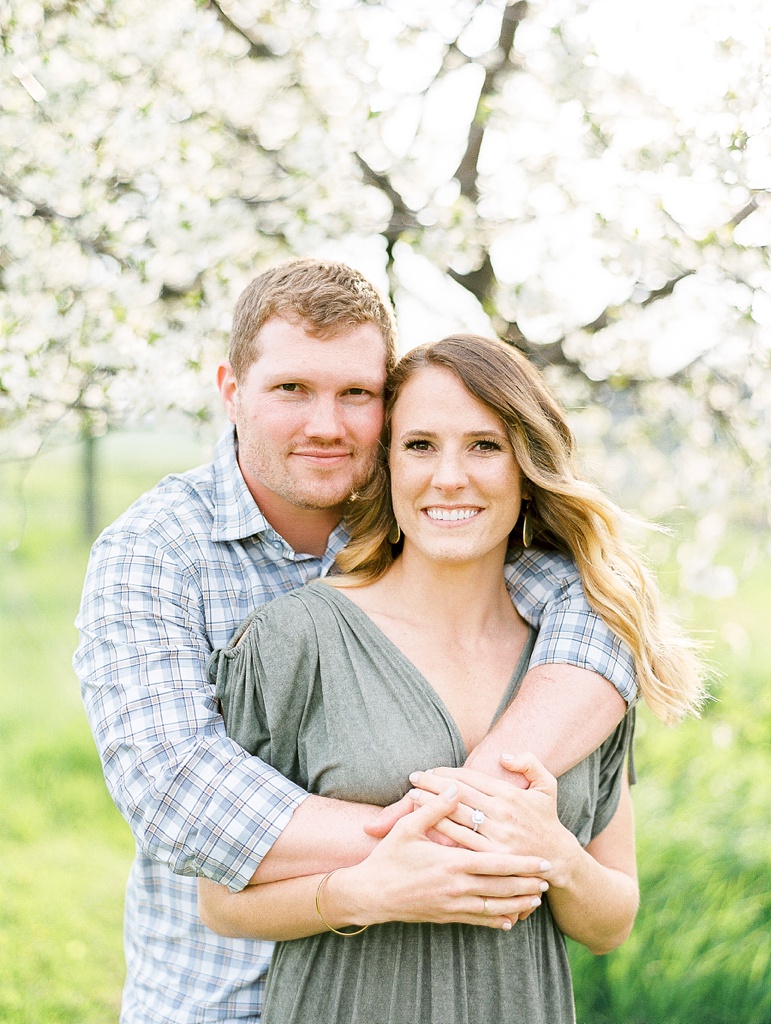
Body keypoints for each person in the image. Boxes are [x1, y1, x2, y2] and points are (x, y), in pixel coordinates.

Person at [75, 260, 644, 1024]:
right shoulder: (155, 552)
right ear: (231, 391)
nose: (326, 425)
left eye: (356, 394)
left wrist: (510, 819)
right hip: (220, 1001)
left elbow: (598, 616)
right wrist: (450, 836)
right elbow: (177, 793)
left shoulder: (428, 526)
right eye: (290, 390)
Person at [200, 333, 705, 1024]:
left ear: (526, 467)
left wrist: (556, 856)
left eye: (483, 445)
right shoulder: (296, 640)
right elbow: (221, 903)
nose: (447, 476)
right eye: (419, 445)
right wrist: (365, 893)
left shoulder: (581, 666)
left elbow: (610, 921)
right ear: (385, 466)